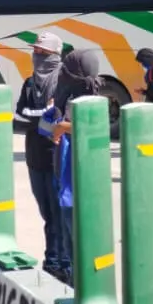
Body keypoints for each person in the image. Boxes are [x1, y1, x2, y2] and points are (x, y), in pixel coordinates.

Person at [48, 49, 104, 280]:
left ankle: (82, 286)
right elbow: (47, 130)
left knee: (80, 243)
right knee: (72, 242)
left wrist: (64, 127)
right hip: (66, 183)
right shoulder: (70, 98)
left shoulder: (89, 103)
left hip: (77, 188)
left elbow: (93, 129)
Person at [14, 32, 65, 280]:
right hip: (35, 156)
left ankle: (61, 263)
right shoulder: (29, 83)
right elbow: (20, 114)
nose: (37, 57)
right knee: (46, 212)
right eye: (36, 52)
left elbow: (62, 118)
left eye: (43, 53)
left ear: (55, 55)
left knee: (59, 213)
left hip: (56, 157)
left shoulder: (64, 82)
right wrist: (44, 113)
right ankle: (52, 259)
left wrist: (41, 116)